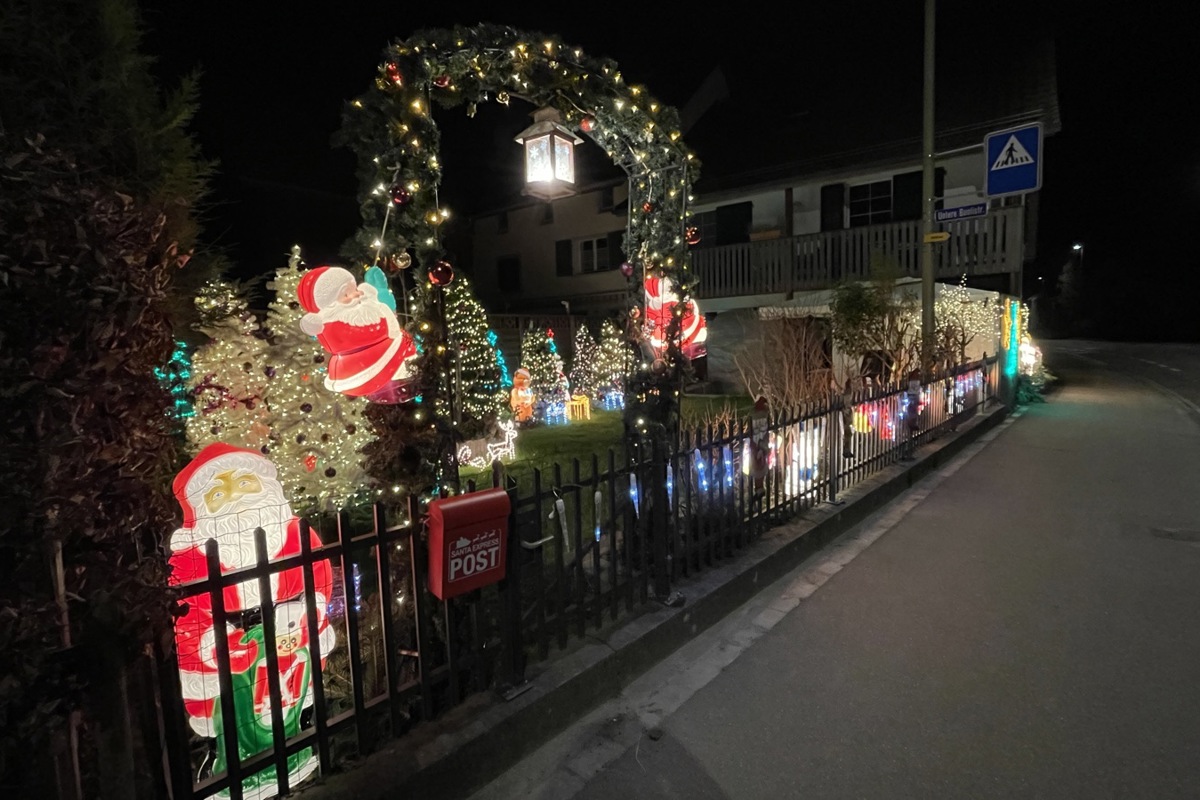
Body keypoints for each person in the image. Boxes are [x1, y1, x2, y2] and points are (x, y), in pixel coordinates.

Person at [169, 443, 337, 798]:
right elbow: (184, 613)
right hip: (230, 657)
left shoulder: (295, 533)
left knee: (289, 705)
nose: (235, 498)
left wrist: (307, 608)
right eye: (219, 492)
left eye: (245, 483)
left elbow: (319, 577)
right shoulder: (191, 556)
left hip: (290, 643)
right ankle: (230, 774)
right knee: (235, 719)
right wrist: (218, 643)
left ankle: (295, 752)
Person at [297, 265, 418, 402]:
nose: (357, 294)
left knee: (408, 369)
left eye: (354, 288)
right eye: (346, 294)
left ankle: (407, 379)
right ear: (329, 306)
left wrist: (381, 293)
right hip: (361, 369)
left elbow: (389, 319)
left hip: (396, 350)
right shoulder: (330, 321)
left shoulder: (369, 307)